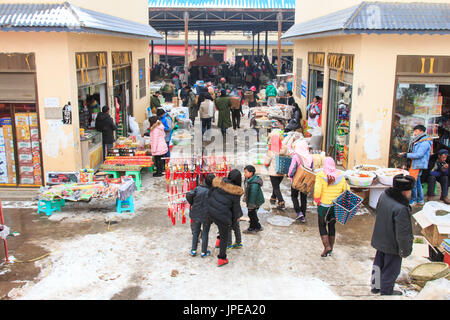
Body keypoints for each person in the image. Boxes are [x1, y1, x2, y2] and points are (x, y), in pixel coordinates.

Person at [370, 174, 415, 296]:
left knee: (378, 263)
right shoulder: (401, 208)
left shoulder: (384, 195)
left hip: (380, 236)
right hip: (392, 243)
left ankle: (375, 286)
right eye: (410, 190)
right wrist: (405, 250)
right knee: (391, 269)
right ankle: (386, 290)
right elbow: (403, 233)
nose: (411, 193)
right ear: (404, 192)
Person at [313, 157, 349, 257]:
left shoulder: (320, 175)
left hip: (324, 206)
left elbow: (317, 191)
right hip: (335, 207)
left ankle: (326, 247)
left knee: (322, 225)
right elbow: (346, 190)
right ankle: (331, 248)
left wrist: (317, 200)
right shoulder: (341, 176)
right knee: (332, 225)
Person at [208, 169, 244, 267]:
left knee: (220, 226)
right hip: (222, 216)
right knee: (225, 234)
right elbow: (235, 211)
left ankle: (218, 239)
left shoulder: (219, 183)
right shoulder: (236, 192)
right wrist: (232, 224)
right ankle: (222, 258)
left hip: (211, 211)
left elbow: (210, 194)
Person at [398, 124, 432, 206]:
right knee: (417, 182)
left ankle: (414, 200)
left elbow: (419, 154)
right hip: (415, 163)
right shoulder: (419, 140)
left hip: (417, 165)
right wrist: (406, 154)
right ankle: (420, 200)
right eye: (414, 131)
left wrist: (406, 155)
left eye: (416, 131)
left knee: (413, 182)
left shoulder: (425, 142)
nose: (415, 133)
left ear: (421, 131)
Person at [186, 174, 215, 258]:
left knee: (195, 232)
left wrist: (192, 203)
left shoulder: (198, 188)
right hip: (207, 216)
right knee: (205, 233)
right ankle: (203, 252)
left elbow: (189, 195)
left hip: (195, 214)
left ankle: (193, 251)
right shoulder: (213, 192)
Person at [288, 140, 314, 222]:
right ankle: (303, 215)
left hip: (297, 179)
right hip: (306, 180)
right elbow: (312, 169)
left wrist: (290, 175)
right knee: (304, 197)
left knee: (294, 196)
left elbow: (292, 169)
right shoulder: (310, 157)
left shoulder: (296, 156)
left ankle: (299, 212)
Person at [264, 131, 288, 210]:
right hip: (282, 171)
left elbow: (267, 162)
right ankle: (273, 198)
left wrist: (266, 165)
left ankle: (281, 201)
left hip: (273, 172)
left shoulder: (271, 150)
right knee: (276, 186)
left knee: (276, 187)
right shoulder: (284, 148)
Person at [243, 165, 265, 234]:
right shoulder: (249, 179)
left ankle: (251, 228)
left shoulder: (254, 184)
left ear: (251, 173)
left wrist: (251, 206)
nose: (244, 174)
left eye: (246, 172)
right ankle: (258, 226)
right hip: (252, 201)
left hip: (254, 201)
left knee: (251, 214)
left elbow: (253, 195)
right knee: (253, 214)